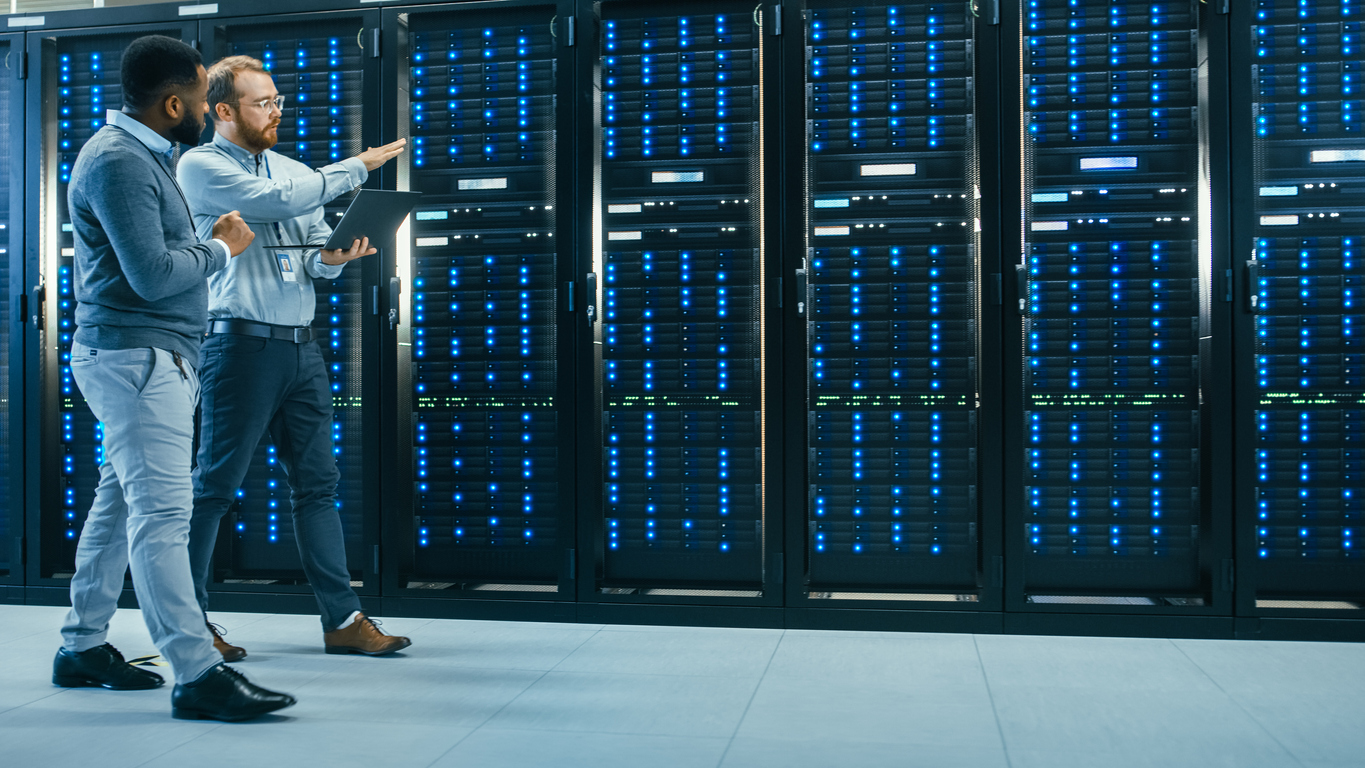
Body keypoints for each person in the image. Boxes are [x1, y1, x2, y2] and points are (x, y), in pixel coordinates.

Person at [54, 35, 295, 722]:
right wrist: (221, 247)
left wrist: (201, 244)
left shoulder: (143, 155)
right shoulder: (120, 161)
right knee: (163, 516)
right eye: (198, 99)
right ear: (170, 102)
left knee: (120, 506)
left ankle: (81, 644)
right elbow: (154, 277)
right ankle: (198, 673)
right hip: (136, 359)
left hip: (147, 358)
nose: (206, 111)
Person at [178, 55, 409, 659]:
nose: (275, 110)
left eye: (278, 100)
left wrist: (330, 260)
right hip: (238, 346)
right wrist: (356, 167)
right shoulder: (200, 166)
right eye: (263, 103)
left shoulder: (291, 169)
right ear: (223, 111)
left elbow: (306, 245)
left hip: (300, 349)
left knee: (317, 486)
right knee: (215, 488)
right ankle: (190, 623)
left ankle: (344, 621)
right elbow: (278, 203)